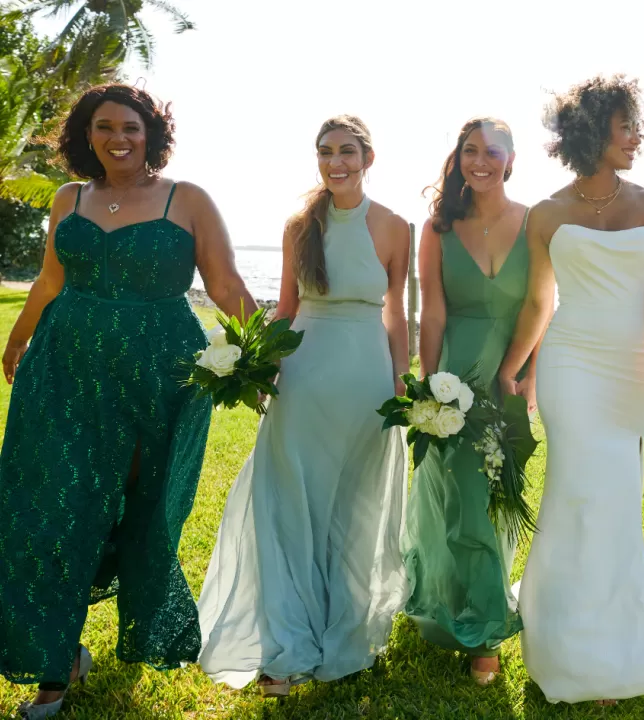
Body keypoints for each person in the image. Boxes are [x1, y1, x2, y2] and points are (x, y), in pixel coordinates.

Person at [0, 84, 257, 719]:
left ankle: (122, 635)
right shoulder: (69, 199)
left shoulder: (187, 199)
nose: (119, 138)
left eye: (132, 128)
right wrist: (17, 339)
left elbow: (225, 284)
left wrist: (267, 355)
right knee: (52, 509)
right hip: (64, 369)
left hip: (158, 375)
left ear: (152, 135)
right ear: (86, 136)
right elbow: (51, 278)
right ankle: (56, 666)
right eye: (104, 126)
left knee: (135, 509)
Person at [196, 115, 410, 697]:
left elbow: (396, 311)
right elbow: (287, 306)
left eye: (346, 151)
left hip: (367, 380)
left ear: (369, 156)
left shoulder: (395, 226)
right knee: (290, 502)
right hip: (306, 372)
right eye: (325, 152)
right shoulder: (300, 224)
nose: (335, 162)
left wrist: (400, 382)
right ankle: (285, 646)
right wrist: (259, 364)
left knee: (353, 506)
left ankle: (345, 628)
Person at [498, 73, 644, 706]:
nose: (637, 136)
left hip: (629, 368)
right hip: (571, 364)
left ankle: (611, 643)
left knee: (614, 500)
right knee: (578, 491)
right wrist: (513, 365)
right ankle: (565, 646)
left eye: (636, 125)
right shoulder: (547, 214)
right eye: (626, 125)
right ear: (592, 132)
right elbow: (538, 299)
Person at [402, 117, 535, 686]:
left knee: (495, 494)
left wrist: (528, 377)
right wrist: (428, 383)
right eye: (470, 150)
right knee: (458, 496)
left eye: (493, 151)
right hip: (455, 372)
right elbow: (430, 310)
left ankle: (477, 606)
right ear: (458, 158)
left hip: (510, 373)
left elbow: (544, 305)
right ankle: (484, 631)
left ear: (511, 159)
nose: (481, 160)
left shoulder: (536, 223)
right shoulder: (438, 228)